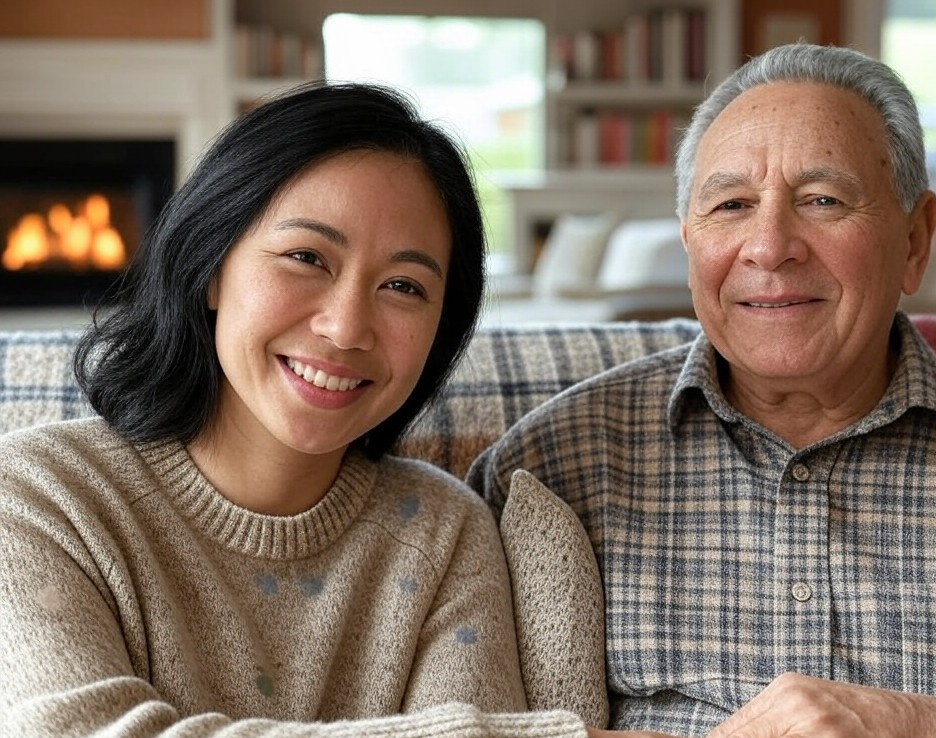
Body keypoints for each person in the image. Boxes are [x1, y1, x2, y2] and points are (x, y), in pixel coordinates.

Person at [0, 81, 588, 738]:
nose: (345, 328)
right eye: (306, 257)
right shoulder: (37, 496)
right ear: (212, 265)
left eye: (403, 286)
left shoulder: (443, 534)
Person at [469, 42, 936, 738]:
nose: (768, 246)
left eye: (821, 200)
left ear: (914, 240)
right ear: (689, 241)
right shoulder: (552, 467)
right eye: (730, 205)